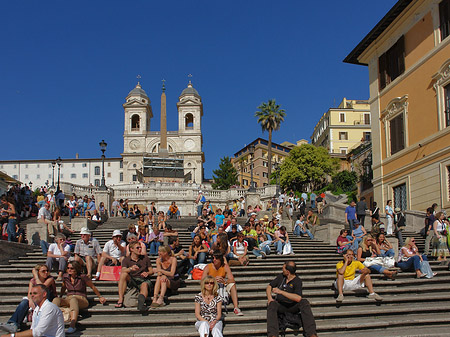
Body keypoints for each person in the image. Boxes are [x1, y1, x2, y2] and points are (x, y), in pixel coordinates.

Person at [266, 261, 318, 337]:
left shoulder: (297, 281)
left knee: (304, 302)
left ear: (288, 272)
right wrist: (269, 298)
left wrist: (281, 292)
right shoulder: (281, 277)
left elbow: (298, 298)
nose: (282, 270)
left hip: (293, 307)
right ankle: (273, 335)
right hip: (281, 305)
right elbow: (269, 286)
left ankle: (311, 334)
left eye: (283, 268)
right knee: (272, 304)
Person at [0, 265, 56, 334]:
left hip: (47, 300)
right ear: (38, 272)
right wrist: (30, 300)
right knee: (24, 302)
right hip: (36, 299)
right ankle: (13, 323)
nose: (46, 272)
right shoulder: (32, 281)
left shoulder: (50, 279)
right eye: (43, 271)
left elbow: (41, 288)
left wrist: (36, 276)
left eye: (47, 271)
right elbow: (29, 294)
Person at [54, 261, 106, 334]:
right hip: (69, 297)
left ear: (76, 269)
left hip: (81, 298)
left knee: (73, 300)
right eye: (68, 268)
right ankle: (51, 323)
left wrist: (100, 296)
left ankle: (72, 325)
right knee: (56, 300)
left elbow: (92, 287)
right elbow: (63, 288)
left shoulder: (83, 277)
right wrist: (60, 297)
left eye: (72, 268)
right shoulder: (65, 277)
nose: (69, 270)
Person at [117, 241, 153, 311]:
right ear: (131, 249)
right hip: (132, 280)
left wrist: (147, 273)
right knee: (123, 274)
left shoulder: (145, 258)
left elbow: (151, 270)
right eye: (137, 248)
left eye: (140, 247)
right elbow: (123, 270)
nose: (140, 249)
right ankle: (121, 298)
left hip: (143, 279)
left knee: (144, 285)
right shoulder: (126, 260)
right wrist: (130, 269)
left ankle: (141, 301)